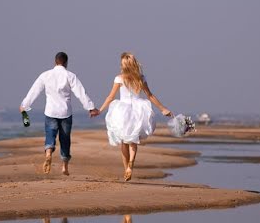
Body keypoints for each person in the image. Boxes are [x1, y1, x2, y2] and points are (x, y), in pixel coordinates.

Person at [20, 51, 99, 176]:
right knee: (65, 139)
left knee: (50, 135)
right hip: (65, 112)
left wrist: (24, 105)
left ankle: (48, 153)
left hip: (50, 111)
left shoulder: (45, 75)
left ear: (55, 62)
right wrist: (91, 108)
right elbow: (80, 93)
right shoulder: (70, 75)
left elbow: (34, 91)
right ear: (66, 63)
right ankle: (64, 167)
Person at [97, 52, 172, 181]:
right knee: (133, 139)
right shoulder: (140, 78)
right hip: (139, 110)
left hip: (122, 111)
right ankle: (131, 162)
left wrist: (100, 110)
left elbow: (110, 97)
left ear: (123, 65)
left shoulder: (119, 78)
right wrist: (163, 109)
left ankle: (126, 167)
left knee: (123, 141)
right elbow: (150, 95)